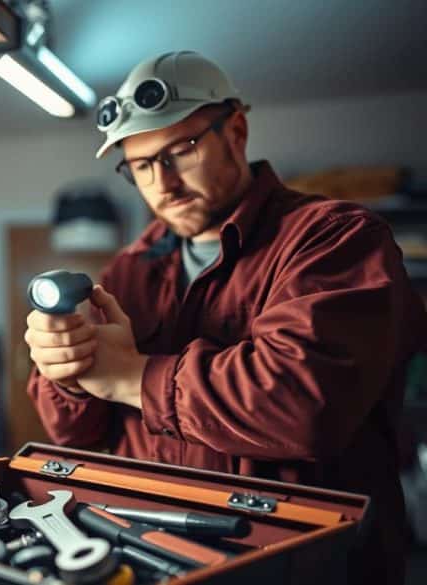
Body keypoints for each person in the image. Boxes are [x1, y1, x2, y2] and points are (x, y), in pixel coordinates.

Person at [24, 51, 426, 584]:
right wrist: (66, 374)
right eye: (140, 166)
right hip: (153, 552)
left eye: (180, 150)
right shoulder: (130, 270)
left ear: (235, 130)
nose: (162, 184)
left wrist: (131, 377)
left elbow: (302, 404)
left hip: (304, 563)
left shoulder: (335, 239)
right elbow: (73, 435)